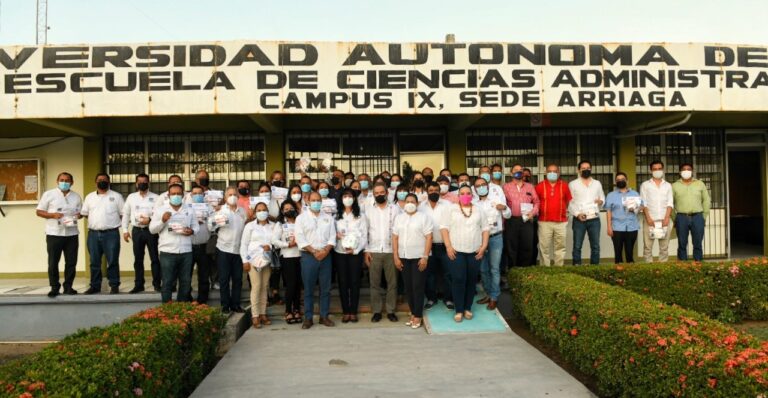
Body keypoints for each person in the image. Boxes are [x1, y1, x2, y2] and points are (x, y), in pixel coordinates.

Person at [440, 185, 489, 322]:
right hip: (456, 251)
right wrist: (448, 246)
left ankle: (468, 307)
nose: (465, 195)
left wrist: (484, 246)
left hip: (474, 251)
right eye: (462, 193)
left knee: (471, 280)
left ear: (472, 195)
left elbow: (485, 228)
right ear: (458, 195)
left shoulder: (479, 210)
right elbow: (444, 228)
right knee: (459, 279)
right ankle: (459, 309)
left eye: (468, 193)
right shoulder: (451, 209)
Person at [149, 183, 198, 303]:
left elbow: (196, 227)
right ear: (168, 195)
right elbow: (152, 229)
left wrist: (191, 231)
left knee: (186, 282)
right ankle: (168, 311)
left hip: (186, 251)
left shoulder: (190, 210)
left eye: (178, 194)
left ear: (183, 195)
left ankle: (181, 309)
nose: (176, 196)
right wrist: (162, 220)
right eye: (173, 194)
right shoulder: (161, 210)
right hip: (167, 252)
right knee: (167, 282)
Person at [295, 191, 337, 329]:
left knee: (325, 289)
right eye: (313, 200)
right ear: (307, 201)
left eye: (318, 200)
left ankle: (324, 316)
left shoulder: (328, 218)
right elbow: (300, 238)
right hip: (309, 257)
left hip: (326, 256)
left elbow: (332, 237)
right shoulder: (301, 219)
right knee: (308, 289)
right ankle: (308, 318)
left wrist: (325, 251)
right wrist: (314, 251)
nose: (316, 202)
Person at [36, 172, 82, 298]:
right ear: (57, 181)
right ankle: (54, 287)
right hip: (54, 233)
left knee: (71, 262)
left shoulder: (76, 197)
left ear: (72, 182)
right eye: (62, 180)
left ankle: (68, 286)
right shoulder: (49, 194)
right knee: (53, 262)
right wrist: (52, 215)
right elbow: (39, 211)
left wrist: (79, 215)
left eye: (67, 180)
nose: (64, 182)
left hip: (72, 234)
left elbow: (80, 213)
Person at [393, 193, 433, 329]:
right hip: (404, 256)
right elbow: (395, 238)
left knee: (417, 287)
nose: (409, 203)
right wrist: (396, 257)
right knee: (408, 287)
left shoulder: (423, 218)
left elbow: (429, 237)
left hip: (418, 257)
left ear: (417, 204)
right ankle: (413, 313)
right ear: (404, 203)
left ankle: (418, 315)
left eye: (412, 201)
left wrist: (425, 257)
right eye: (407, 201)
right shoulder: (399, 218)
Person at [81, 173, 125, 295]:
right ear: (95, 182)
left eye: (105, 180)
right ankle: (95, 286)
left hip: (111, 234)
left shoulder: (117, 196)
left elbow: (123, 214)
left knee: (113, 261)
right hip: (93, 234)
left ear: (109, 182)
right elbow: (85, 213)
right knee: (94, 262)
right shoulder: (89, 197)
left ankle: (114, 285)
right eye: (100, 180)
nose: (102, 182)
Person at [364, 183, 400, 323]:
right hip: (374, 251)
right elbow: (365, 232)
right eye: (376, 193)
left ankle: (391, 310)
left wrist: (397, 253)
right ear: (373, 195)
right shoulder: (368, 210)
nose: (379, 195)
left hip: (391, 251)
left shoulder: (395, 209)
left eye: (381, 192)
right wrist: (366, 250)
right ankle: (377, 311)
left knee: (393, 283)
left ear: (386, 193)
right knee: (374, 283)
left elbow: (399, 231)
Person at [474, 177, 510, 310]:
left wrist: (504, 208)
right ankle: (488, 294)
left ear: (488, 187)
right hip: (480, 240)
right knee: (483, 269)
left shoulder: (496, 200)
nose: (481, 187)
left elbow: (508, 215)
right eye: (478, 186)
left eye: (483, 184)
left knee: (494, 269)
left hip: (495, 237)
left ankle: (494, 297)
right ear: (475, 189)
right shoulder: (474, 204)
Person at [121, 173, 161, 293]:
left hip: (151, 231)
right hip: (137, 231)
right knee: (138, 259)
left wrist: (150, 219)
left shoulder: (156, 197)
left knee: (154, 258)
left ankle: (157, 284)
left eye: (145, 182)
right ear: (136, 183)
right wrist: (124, 230)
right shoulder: (131, 197)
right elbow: (126, 214)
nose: (142, 184)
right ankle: (139, 284)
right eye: (140, 182)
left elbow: (159, 214)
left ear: (148, 183)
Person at [334, 188, 368, 323]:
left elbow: (365, 235)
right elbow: (330, 234)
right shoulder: (336, 216)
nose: (347, 198)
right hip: (340, 253)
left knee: (354, 281)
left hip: (355, 253)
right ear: (341, 198)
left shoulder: (360, 215)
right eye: (345, 196)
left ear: (354, 198)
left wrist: (357, 250)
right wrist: (336, 235)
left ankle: (353, 311)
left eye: (350, 196)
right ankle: (345, 311)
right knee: (342, 282)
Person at [241, 202, 275, 328]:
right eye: (259, 210)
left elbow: (275, 241)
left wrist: (270, 246)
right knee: (256, 286)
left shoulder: (272, 226)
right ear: (255, 213)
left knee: (265, 286)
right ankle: (255, 315)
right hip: (253, 260)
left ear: (267, 211)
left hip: (266, 260)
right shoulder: (249, 226)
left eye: (264, 209)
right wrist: (245, 260)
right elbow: (244, 244)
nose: (262, 212)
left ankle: (263, 313)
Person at [421, 182, 453, 309]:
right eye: (430, 189)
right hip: (428, 246)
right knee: (429, 274)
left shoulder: (448, 205)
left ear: (440, 191)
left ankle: (449, 299)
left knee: (448, 273)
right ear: (427, 191)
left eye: (436, 190)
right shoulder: (421, 207)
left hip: (445, 245)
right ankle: (431, 298)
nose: (433, 192)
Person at [215, 187, 248, 314]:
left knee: (238, 279)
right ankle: (225, 305)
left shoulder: (242, 212)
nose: (232, 196)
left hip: (238, 250)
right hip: (223, 249)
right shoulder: (220, 211)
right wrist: (217, 222)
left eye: (235, 194)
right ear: (225, 197)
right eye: (230, 194)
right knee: (224, 279)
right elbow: (211, 226)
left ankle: (235, 304)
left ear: (238, 197)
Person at [568, 160, 605, 265]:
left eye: (588, 168)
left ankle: (594, 268)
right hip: (579, 219)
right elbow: (570, 203)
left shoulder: (597, 183)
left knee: (595, 246)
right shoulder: (573, 184)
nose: (586, 170)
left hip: (594, 220)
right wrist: (577, 214)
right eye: (583, 168)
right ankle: (577, 267)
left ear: (591, 169)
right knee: (577, 246)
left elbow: (602, 197)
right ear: (579, 170)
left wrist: (601, 201)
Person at [502, 164, 540, 267]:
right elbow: (502, 203)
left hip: (527, 220)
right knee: (511, 248)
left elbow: (537, 202)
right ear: (511, 173)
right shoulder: (505, 187)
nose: (518, 171)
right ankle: (513, 272)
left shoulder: (530, 186)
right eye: (516, 170)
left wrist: (533, 212)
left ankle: (524, 273)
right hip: (511, 221)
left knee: (527, 247)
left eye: (521, 170)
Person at [535, 164, 572, 266]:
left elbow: (568, 202)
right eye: (550, 171)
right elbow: (535, 202)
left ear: (558, 173)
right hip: (544, 222)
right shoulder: (539, 186)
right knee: (544, 248)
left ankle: (558, 270)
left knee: (560, 247)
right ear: (546, 173)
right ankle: (545, 270)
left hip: (561, 222)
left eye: (554, 171)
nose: (552, 173)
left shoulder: (564, 185)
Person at [673, 163, 711, 262]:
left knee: (698, 243)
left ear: (692, 171)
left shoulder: (700, 184)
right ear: (680, 172)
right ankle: (683, 266)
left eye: (688, 169)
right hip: (681, 217)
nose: (686, 171)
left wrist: (704, 216)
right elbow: (669, 203)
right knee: (682, 244)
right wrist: (674, 218)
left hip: (698, 217)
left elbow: (706, 200)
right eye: (684, 169)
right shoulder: (674, 185)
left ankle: (698, 265)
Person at [272, 199, 302, 325]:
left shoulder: (300, 222)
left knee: (298, 285)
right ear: (282, 211)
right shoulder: (280, 224)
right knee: (291, 285)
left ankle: (296, 309)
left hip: (301, 256)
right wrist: (288, 244)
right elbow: (274, 240)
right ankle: (288, 310)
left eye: (291, 208)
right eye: (286, 209)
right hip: (287, 256)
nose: (289, 211)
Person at [640, 160, 674, 263]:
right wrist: (648, 218)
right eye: (655, 169)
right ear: (651, 170)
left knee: (664, 248)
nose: (657, 171)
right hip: (649, 221)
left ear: (663, 170)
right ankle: (648, 268)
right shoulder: (645, 185)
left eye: (659, 169)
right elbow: (643, 203)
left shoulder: (668, 185)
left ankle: (663, 268)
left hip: (664, 221)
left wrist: (667, 218)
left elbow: (670, 203)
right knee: (647, 247)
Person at [605, 172, 641, 263]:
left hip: (632, 227)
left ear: (627, 181)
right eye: (618, 180)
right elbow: (608, 211)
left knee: (629, 253)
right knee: (618, 253)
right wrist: (609, 227)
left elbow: (642, 207)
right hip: (617, 227)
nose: (620, 181)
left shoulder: (635, 193)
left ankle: (629, 274)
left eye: (622, 180)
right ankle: (618, 273)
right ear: (615, 182)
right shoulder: (611, 195)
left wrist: (636, 209)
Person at [188, 185, 215, 303]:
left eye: (200, 193)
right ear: (191, 195)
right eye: (195, 193)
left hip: (204, 246)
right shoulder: (186, 207)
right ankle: (186, 299)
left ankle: (202, 300)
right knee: (186, 274)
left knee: (204, 275)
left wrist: (208, 219)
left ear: (204, 195)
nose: (198, 195)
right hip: (188, 247)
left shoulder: (209, 208)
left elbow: (214, 224)